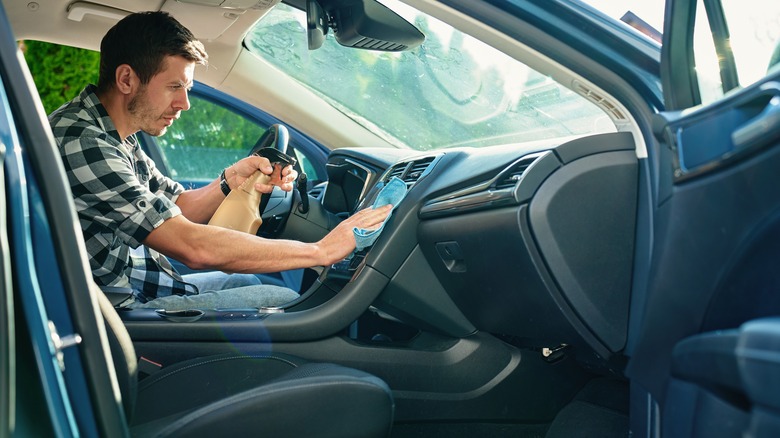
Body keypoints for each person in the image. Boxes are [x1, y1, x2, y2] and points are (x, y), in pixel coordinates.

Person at [49, 11, 392, 311]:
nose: (184, 104)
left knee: (252, 286)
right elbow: (191, 247)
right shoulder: (84, 142)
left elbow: (178, 205)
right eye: (174, 87)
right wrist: (322, 250)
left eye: (187, 89)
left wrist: (232, 179)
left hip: (143, 283)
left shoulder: (114, 132)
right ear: (127, 79)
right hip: (122, 315)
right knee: (279, 299)